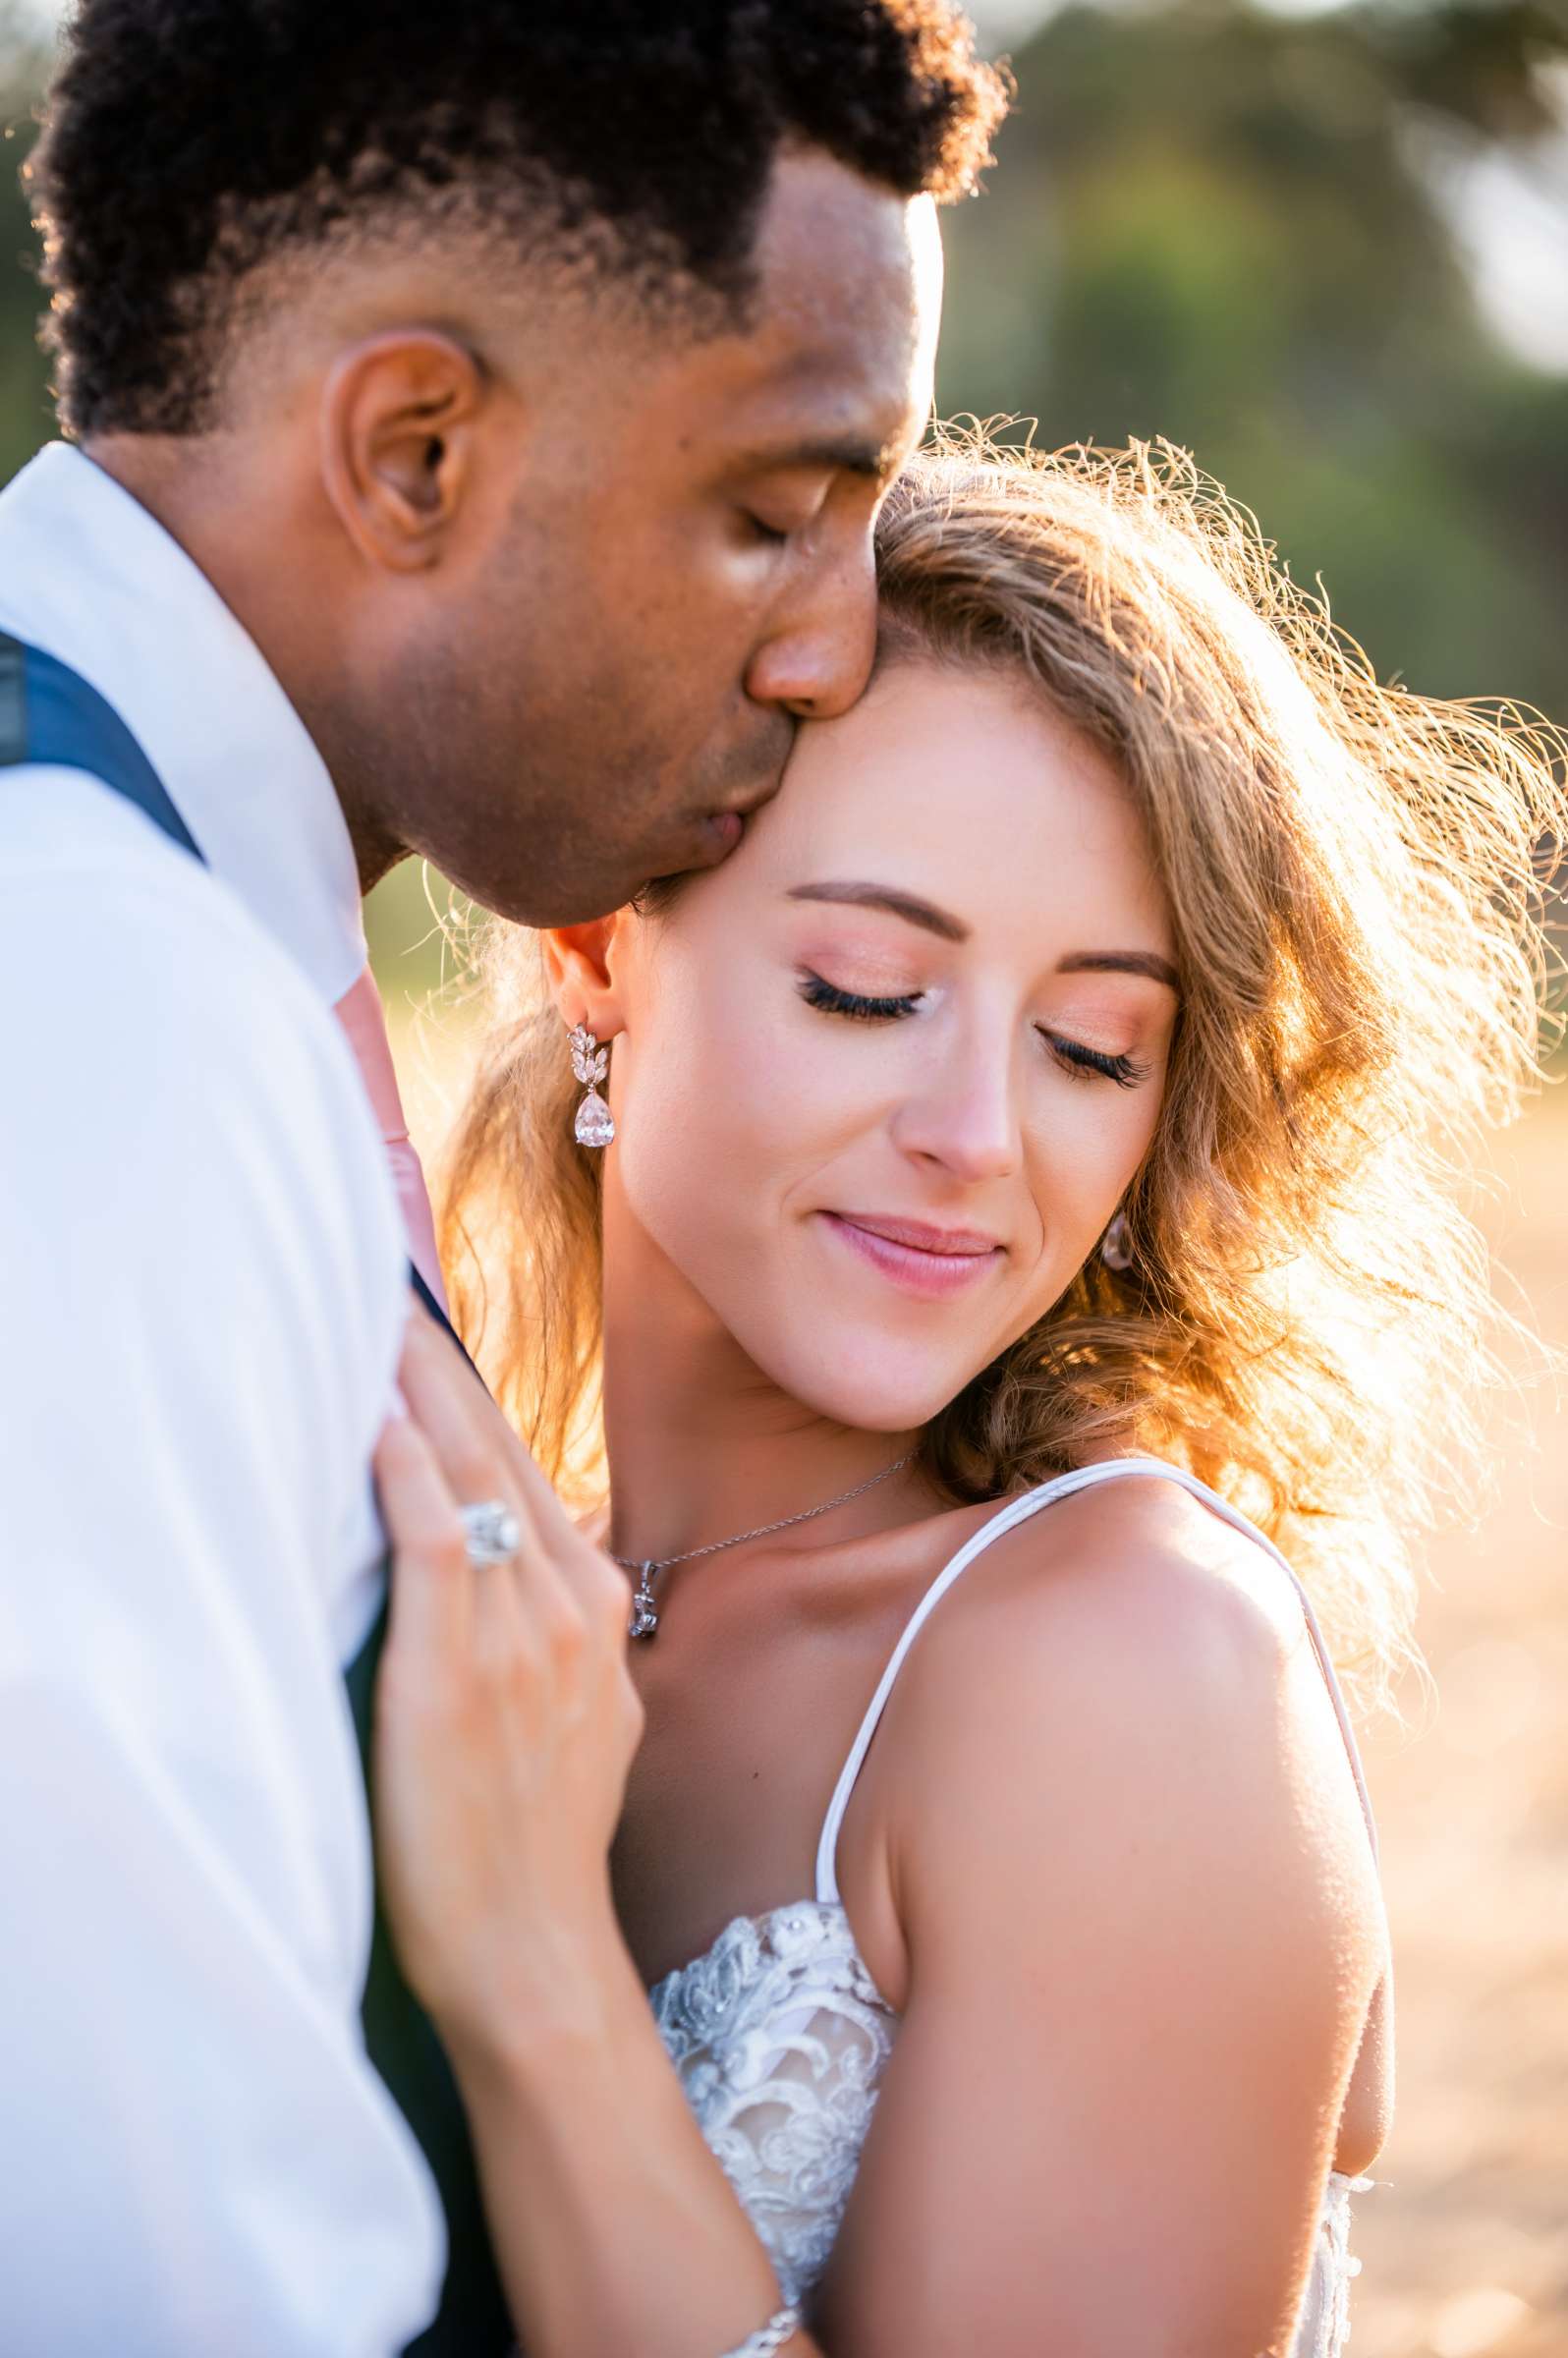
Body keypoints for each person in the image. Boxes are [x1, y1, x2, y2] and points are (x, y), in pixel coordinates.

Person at [0, 8, 1006, 2352]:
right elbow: (159, 2265)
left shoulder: (169, 932)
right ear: (416, 449)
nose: (836, 650)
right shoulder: (104, 1000)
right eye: (775, 506)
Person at [366, 434, 1564, 2358]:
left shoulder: (1128, 1659)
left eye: (1093, 1043)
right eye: (863, 987)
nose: (976, 1137)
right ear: (598, 948)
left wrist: (531, 1975)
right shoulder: (491, 1589)